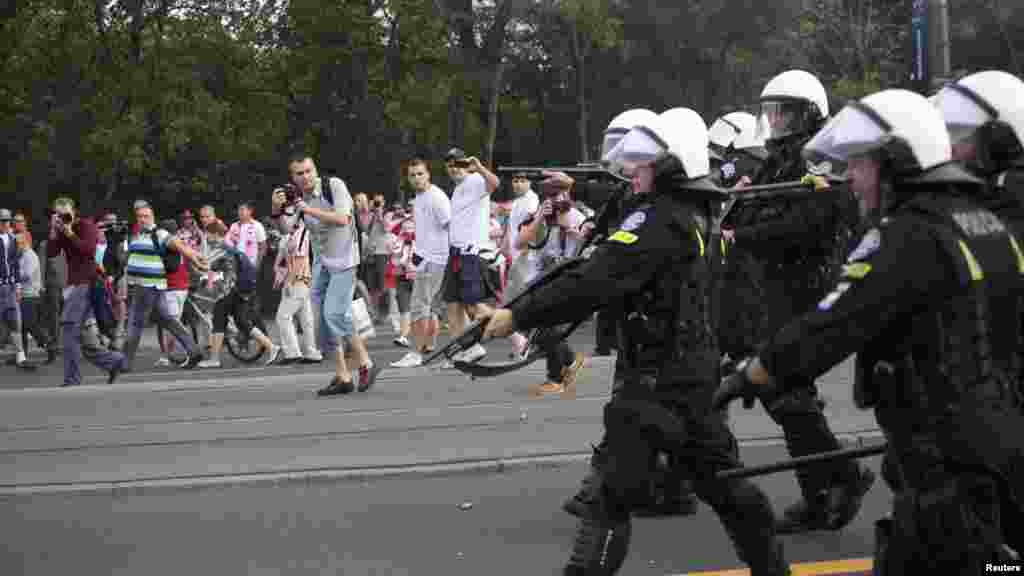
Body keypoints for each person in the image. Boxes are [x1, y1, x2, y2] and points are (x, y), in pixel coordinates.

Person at [714, 87, 1024, 572]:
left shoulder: (908, 233)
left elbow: (837, 321)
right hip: (988, 438)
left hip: (945, 454)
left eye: (860, 165)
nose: (851, 179)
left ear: (894, 162)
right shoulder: (982, 220)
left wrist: (756, 371)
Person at [479, 108, 788, 575]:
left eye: (643, 165)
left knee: (608, 501)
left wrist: (517, 313)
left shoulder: (659, 220)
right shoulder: (695, 214)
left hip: (655, 381)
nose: (632, 173)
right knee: (728, 487)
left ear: (669, 167)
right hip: (692, 376)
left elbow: (595, 278)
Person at [720, 69, 874, 534]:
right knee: (784, 392)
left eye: (783, 112)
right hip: (773, 286)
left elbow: (806, 224)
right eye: (771, 112)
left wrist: (738, 235)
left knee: (785, 389)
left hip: (808, 283)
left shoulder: (819, 158)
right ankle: (831, 486)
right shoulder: (775, 160)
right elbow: (749, 210)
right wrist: (738, 208)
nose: (775, 121)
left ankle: (838, 481)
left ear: (807, 113)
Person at [272, 153, 382, 395]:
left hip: (345, 259)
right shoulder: (299, 197)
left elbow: (342, 219)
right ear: (293, 177)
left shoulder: (334, 186)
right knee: (325, 320)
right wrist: (277, 209)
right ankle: (343, 376)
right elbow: (288, 230)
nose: (305, 177)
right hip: (322, 261)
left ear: (315, 170)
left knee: (334, 313)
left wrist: (307, 209)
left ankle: (366, 363)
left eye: (309, 171)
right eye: (299, 173)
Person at [512, 178, 587, 397]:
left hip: (567, 280)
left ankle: (555, 378)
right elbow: (519, 242)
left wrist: (576, 234)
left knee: (547, 324)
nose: (556, 201)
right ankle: (570, 360)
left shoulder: (578, 217)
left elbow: (593, 248)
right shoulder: (540, 215)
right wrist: (539, 219)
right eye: (550, 196)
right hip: (540, 280)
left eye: (559, 195)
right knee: (528, 321)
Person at [120, 199, 208, 371]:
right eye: (139, 216)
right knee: (168, 320)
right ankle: (194, 350)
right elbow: (125, 259)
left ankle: (124, 363)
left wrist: (195, 257)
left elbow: (178, 245)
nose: (142, 219)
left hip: (148, 286)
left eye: (145, 216)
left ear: (152, 217)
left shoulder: (159, 234)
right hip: (145, 286)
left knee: (135, 323)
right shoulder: (135, 236)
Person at [46, 197, 126, 385]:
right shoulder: (59, 230)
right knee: (86, 340)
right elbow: (51, 253)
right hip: (73, 285)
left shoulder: (86, 226)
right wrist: (54, 231)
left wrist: (70, 232)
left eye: (66, 214)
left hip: (86, 282)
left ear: (74, 212)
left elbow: (88, 250)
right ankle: (115, 361)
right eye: (58, 214)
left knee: (68, 327)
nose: (63, 217)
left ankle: (72, 378)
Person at [391, 158, 452, 368]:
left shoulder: (436, 197)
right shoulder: (420, 198)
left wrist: (446, 257)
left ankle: (415, 353)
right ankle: (438, 348)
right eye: (412, 175)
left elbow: (451, 226)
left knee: (419, 307)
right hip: (426, 258)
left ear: (428, 175)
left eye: (420, 174)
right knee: (434, 308)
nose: (416, 178)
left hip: (436, 259)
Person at [441, 147, 500, 365]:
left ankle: (516, 335)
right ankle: (463, 351)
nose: (454, 168)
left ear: (466, 164)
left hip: (471, 252)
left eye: (458, 163)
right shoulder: (457, 189)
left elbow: (495, 184)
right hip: (456, 252)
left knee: (474, 306)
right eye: (450, 165)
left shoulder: (475, 180)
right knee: (452, 304)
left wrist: (480, 168)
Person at [196, 220, 280, 368]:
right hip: (239, 290)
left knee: (218, 322)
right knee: (241, 322)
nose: (206, 238)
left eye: (207, 235)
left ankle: (214, 359)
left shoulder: (220, 248)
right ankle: (271, 347)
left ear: (215, 234)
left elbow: (204, 265)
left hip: (227, 291)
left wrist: (192, 261)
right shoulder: (230, 248)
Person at [272, 199, 321, 365]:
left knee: (283, 316)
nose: (285, 218)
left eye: (288, 214)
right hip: (303, 279)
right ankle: (312, 352)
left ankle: (292, 352)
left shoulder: (300, 233)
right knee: (306, 319)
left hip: (298, 279)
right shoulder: (297, 233)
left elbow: (298, 260)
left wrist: (290, 282)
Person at [16, 232, 56, 364]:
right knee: (21, 327)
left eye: (18, 243)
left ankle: (50, 346)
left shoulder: (31, 256)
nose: (16, 246)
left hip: (31, 295)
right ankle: (22, 355)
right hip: (23, 295)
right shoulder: (22, 256)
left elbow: (26, 275)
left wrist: (13, 274)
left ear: (26, 242)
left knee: (31, 325)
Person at [0, 208, 30, 369]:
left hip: (10, 286)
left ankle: (21, 357)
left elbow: (16, 265)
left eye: (7, 221)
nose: (5, 224)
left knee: (15, 322)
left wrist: (18, 286)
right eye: (2, 221)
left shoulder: (13, 239)